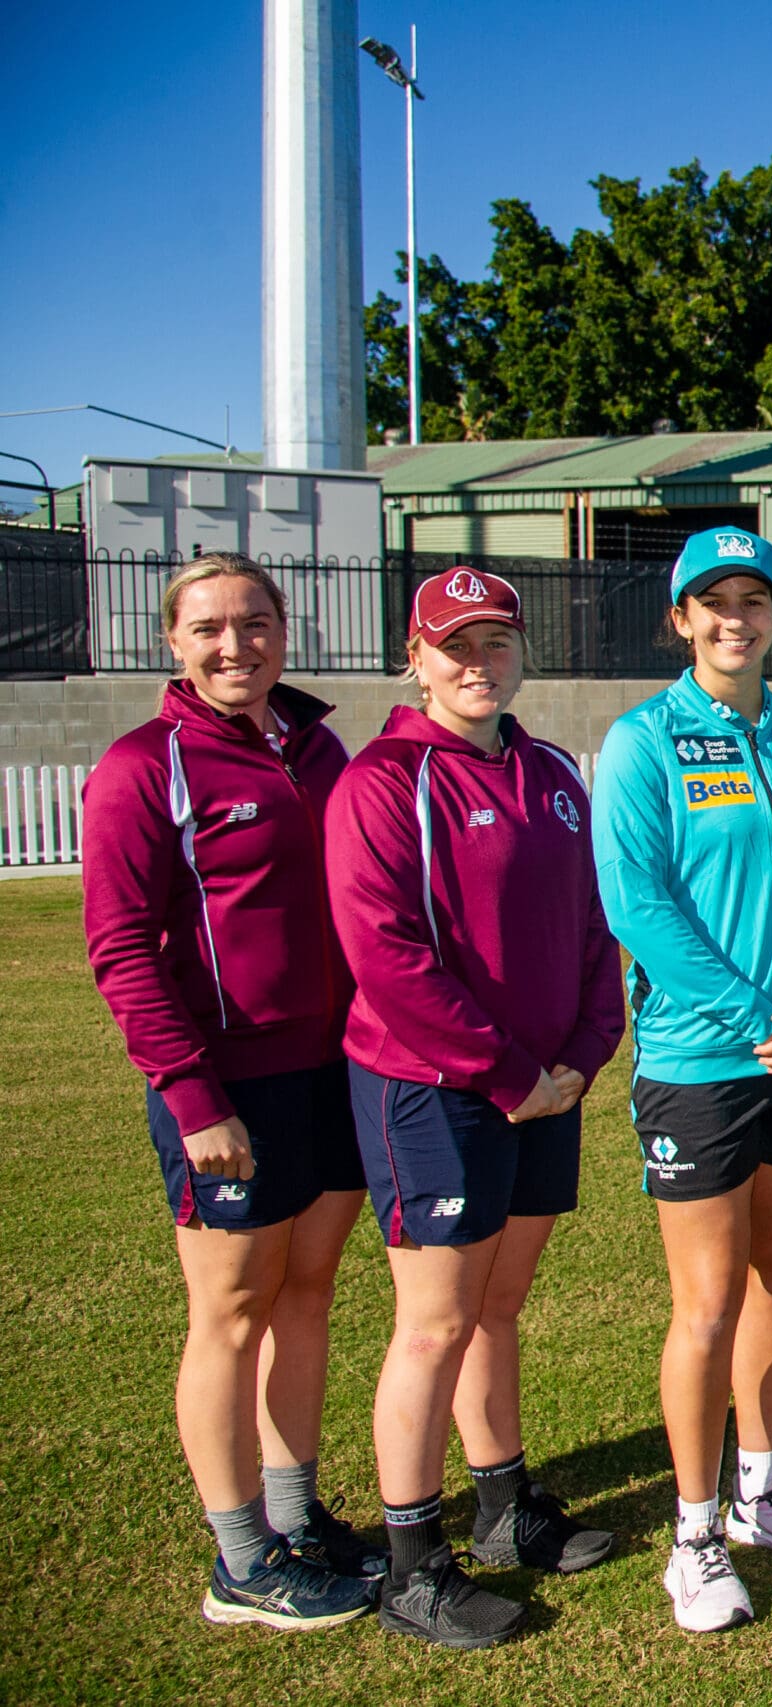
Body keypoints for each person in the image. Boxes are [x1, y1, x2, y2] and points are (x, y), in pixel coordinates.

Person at [83, 553, 383, 1631]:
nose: (235, 646)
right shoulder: (142, 766)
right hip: (225, 1087)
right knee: (231, 1311)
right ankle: (240, 1556)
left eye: (254, 623)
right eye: (209, 627)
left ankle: (296, 1518)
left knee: (307, 1300)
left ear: (283, 631)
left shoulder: (318, 749)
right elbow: (120, 948)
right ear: (173, 641)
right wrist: (192, 1097)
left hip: (334, 1069)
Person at [327, 566, 625, 1648]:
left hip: (550, 1086)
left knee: (498, 1307)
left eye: (495, 640)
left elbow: (597, 925)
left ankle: (503, 1508)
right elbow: (387, 959)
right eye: (454, 644)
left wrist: (587, 1053)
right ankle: (411, 1563)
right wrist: (509, 1077)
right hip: (436, 1094)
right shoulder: (382, 781)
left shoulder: (549, 770)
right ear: (416, 657)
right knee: (436, 1322)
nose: (476, 662)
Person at [592, 527, 772, 1634]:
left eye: (753, 600)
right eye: (713, 602)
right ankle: (693, 1535)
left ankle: (763, 1492)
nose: (734, 620)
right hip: (702, 1062)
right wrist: (761, 1017)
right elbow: (637, 907)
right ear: (680, 619)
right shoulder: (642, 741)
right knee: (703, 1305)